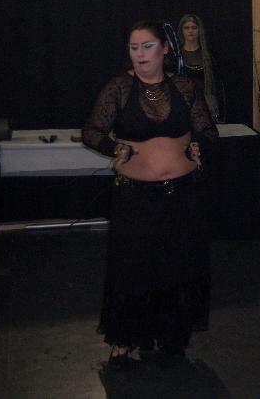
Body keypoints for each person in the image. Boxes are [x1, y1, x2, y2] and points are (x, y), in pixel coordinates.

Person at [83, 20, 218, 368]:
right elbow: (92, 131)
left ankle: (172, 335)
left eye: (147, 46)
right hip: (136, 197)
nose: (140, 54)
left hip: (181, 196)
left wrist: (199, 145)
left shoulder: (185, 87)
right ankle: (124, 337)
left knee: (177, 267)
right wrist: (115, 148)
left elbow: (207, 129)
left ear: (164, 49)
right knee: (134, 267)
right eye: (134, 48)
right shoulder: (119, 88)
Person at [177, 14, 222, 121]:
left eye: (194, 27)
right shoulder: (176, 56)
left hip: (206, 106)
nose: (190, 31)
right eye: (186, 28)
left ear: (199, 30)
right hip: (183, 104)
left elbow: (218, 85)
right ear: (182, 31)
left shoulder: (209, 55)